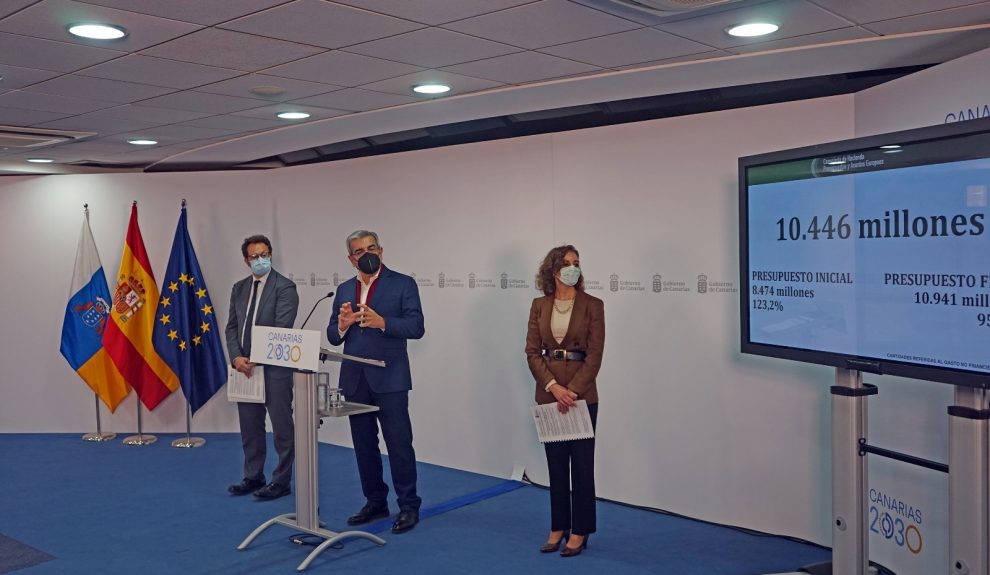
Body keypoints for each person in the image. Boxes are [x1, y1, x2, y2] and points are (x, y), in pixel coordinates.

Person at [327, 230, 425, 534]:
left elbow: (417, 326)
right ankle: (375, 501)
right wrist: (341, 326)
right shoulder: (344, 289)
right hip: (355, 378)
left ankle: (408, 505)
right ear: (350, 258)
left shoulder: (402, 284)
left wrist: (384, 323)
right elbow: (332, 335)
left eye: (371, 248)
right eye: (359, 251)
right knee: (363, 445)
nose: (366, 254)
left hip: (390, 377)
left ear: (381, 251)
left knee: (398, 444)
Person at [526, 245, 605, 557]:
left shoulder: (593, 305)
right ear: (553, 270)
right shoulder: (539, 305)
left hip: (581, 396)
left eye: (577, 263)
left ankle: (581, 531)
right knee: (555, 466)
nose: (573, 268)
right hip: (548, 395)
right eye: (567, 263)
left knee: (582, 468)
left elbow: (596, 354)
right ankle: (558, 526)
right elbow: (532, 351)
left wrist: (571, 390)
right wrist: (552, 386)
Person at [225, 234, 299, 500]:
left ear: (271, 254)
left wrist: (256, 357)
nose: (260, 260)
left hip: (273, 369)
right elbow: (232, 327)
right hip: (245, 369)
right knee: (250, 426)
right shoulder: (239, 288)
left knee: (282, 429)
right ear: (246, 260)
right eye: (254, 256)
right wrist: (236, 357)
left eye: (264, 254)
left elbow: (281, 328)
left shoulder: (285, 287)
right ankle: (253, 476)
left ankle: (281, 481)